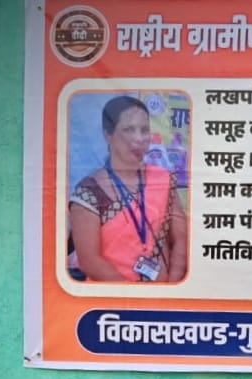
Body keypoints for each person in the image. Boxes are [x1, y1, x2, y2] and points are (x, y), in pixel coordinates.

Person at [68, 95, 188, 282]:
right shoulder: (89, 192)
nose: (139, 139)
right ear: (108, 135)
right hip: (112, 297)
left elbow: (181, 239)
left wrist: (171, 288)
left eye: (144, 130)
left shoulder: (163, 179)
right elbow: (89, 261)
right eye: (129, 130)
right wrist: (129, 296)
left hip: (163, 294)